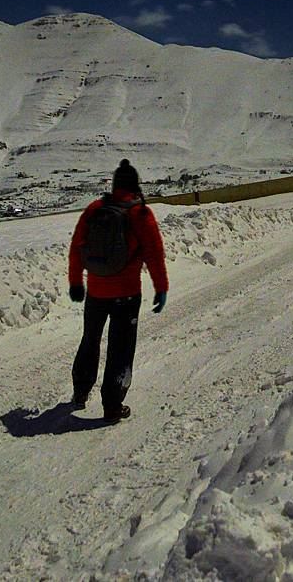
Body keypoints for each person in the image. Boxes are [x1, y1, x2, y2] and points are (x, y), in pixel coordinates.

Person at [68, 158, 168, 423]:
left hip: (96, 292)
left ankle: (80, 390)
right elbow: (154, 255)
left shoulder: (95, 209)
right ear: (135, 184)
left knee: (90, 339)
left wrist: (76, 282)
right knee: (120, 349)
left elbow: (76, 247)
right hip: (126, 295)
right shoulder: (140, 214)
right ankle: (112, 405)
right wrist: (161, 288)